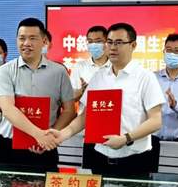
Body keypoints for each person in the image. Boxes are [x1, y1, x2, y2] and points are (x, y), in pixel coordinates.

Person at [50, 22, 164, 177]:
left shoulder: (145, 77)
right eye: (109, 42)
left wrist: (125, 138)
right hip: (100, 156)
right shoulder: (99, 77)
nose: (112, 47)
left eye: (119, 42)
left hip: (134, 159)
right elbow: (86, 116)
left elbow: (156, 121)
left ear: (133, 45)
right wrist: (63, 134)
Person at [0, 18, 75, 172]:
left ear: (44, 41)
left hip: (47, 147)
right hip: (10, 148)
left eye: (32, 38)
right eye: (22, 38)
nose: (26, 43)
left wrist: (50, 137)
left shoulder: (59, 72)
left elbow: (69, 110)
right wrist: (39, 135)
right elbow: (8, 109)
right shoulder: (5, 71)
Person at [70, 25, 111, 101]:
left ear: (107, 43)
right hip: (86, 108)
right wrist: (81, 91)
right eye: (90, 42)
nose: (93, 45)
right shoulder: (79, 66)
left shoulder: (116, 66)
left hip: (110, 107)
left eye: (98, 41)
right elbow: (70, 98)